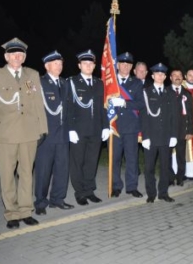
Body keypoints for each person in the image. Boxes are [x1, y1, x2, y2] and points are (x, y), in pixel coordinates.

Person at [0, 37, 48, 229]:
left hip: (29, 133)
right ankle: (11, 213)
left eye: (20, 54)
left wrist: (43, 129)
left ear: (24, 57)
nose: (17, 57)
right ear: (6, 56)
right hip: (6, 135)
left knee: (27, 174)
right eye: (13, 54)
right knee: (6, 175)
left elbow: (38, 104)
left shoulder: (32, 74)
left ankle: (26, 211)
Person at [66, 49, 110, 206]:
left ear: (94, 65)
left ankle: (90, 190)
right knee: (77, 162)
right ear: (79, 65)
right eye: (85, 64)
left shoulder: (99, 83)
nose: (88, 66)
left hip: (95, 130)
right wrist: (70, 129)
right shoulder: (71, 82)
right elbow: (68, 107)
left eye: (91, 64)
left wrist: (105, 126)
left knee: (92, 161)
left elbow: (102, 107)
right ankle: (80, 192)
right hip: (78, 131)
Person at [34, 50, 74, 216]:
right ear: (46, 66)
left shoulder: (65, 84)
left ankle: (57, 199)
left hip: (63, 135)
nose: (59, 66)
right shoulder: (39, 83)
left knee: (62, 169)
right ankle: (41, 202)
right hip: (46, 135)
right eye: (55, 63)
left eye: (61, 63)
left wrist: (72, 130)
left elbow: (70, 109)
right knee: (43, 170)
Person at [108, 52, 145, 198]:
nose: (125, 66)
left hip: (131, 127)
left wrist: (125, 103)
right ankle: (116, 186)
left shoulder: (136, 83)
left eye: (128, 64)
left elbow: (141, 104)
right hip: (114, 127)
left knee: (131, 158)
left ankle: (132, 186)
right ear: (117, 65)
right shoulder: (110, 83)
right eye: (122, 64)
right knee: (115, 158)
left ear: (131, 67)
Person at [140, 63, 178, 203]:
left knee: (164, 167)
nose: (160, 76)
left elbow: (174, 116)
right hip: (151, 136)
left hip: (166, 136)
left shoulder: (170, 93)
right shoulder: (146, 92)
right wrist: (145, 136)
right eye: (157, 74)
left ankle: (163, 193)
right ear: (152, 76)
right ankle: (151, 193)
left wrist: (173, 135)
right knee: (149, 167)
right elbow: (144, 116)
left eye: (162, 74)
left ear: (165, 76)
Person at [168, 69, 193, 186]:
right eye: (175, 75)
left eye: (179, 75)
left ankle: (180, 177)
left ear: (182, 78)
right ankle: (169, 177)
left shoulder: (187, 94)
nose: (177, 77)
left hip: (182, 130)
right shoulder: (165, 91)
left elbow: (190, 114)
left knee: (181, 156)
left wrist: (190, 131)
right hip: (168, 131)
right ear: (170, 78)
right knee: (166, 156)